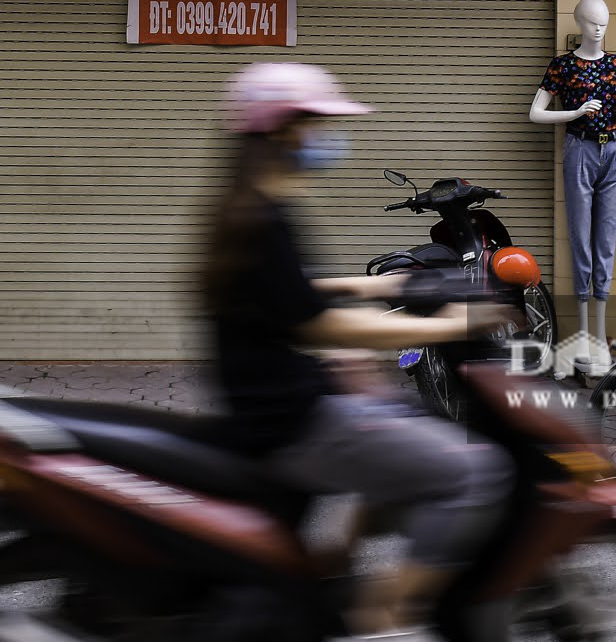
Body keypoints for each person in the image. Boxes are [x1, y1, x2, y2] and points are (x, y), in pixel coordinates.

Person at [204, 61, 515, 640]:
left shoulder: (247, 206)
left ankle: (336, 565)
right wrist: (445, 327)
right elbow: (322, 328)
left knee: (399, 415)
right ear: (280, 131)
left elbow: (287, 292)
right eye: (314, 125)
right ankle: (383, 614)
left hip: (277, 403)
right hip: (294, 419)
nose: (324, 138)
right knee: (477, 472)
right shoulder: (262, 219)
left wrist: (380, 285)